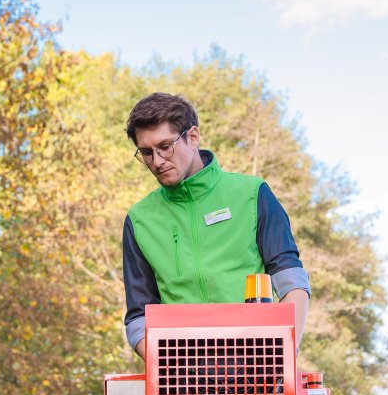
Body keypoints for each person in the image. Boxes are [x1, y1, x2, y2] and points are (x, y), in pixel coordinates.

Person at [121, 92, 309, 357]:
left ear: (193, 137)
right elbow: (139, 318)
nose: (158, 161)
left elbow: (292, 283)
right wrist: (169, 371)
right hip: (182, 382)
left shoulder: (252, 194)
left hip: (257, 369)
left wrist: (284, 356)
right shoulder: (140, 219)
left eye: (165, 146)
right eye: (147, 153)